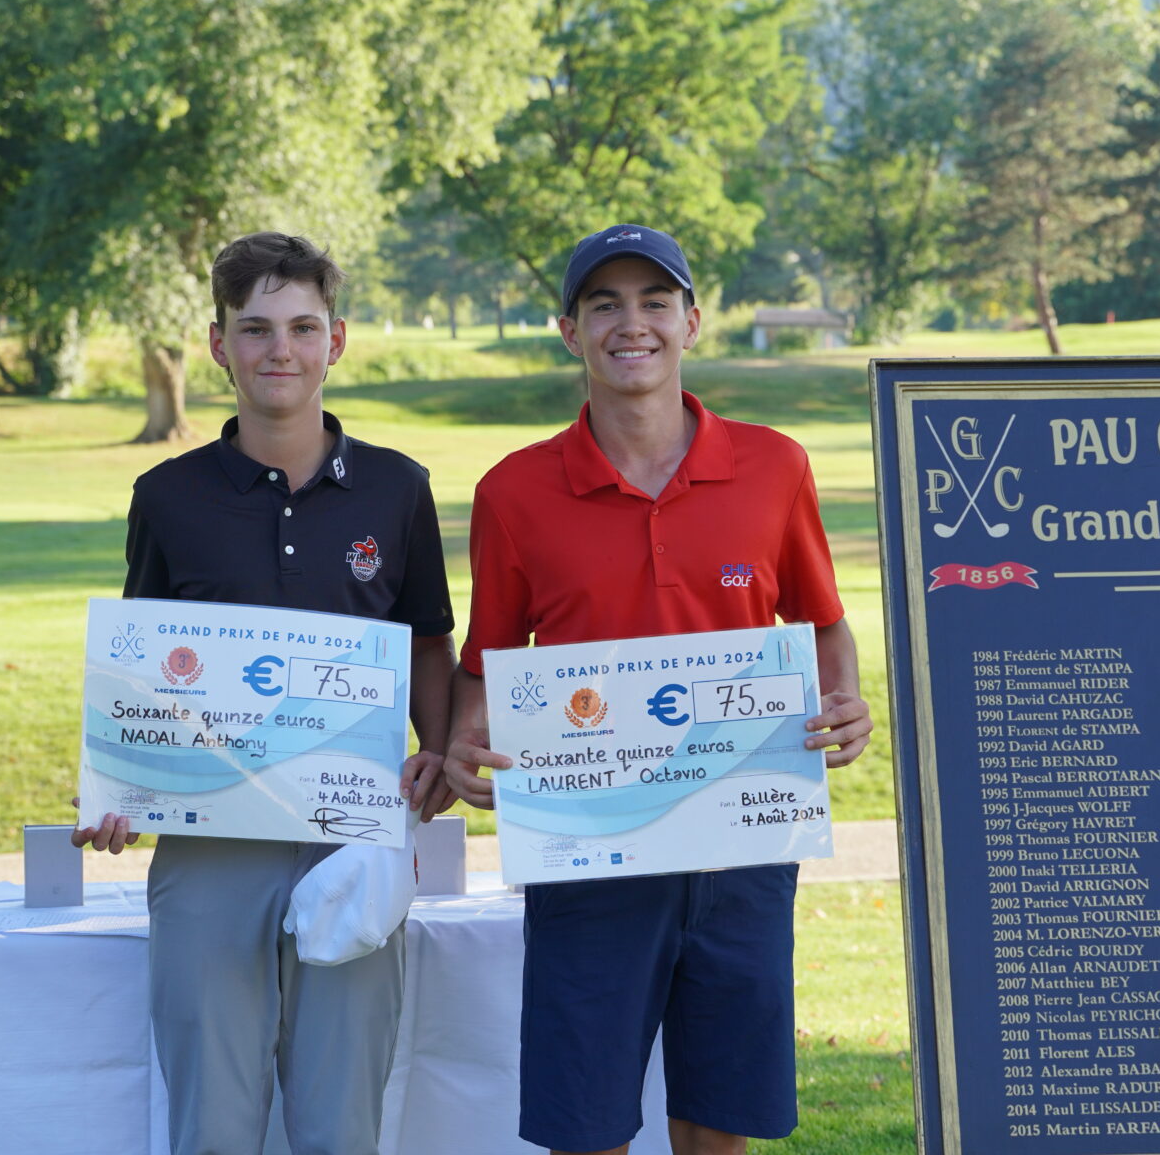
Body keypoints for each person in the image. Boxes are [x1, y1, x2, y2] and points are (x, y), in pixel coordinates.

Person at [444, 223, 873, 1155]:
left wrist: (844, 699)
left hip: (741, 841)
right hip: (589, 853)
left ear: (691, 321)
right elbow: (486, 662)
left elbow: (822, 623)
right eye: (603, 304)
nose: (629, 324)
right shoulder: (513, 492)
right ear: (569, 331)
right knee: (585, 1120)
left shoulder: (775, 465)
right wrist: (466, 747)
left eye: (653, 302)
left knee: (718, 1116)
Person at [75, 231, 456, 1155]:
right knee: (213, 1118)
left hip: (352, 835)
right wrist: (123, 788)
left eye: (301, 327)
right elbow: (143, 664)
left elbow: (427, 641)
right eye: (255, 328)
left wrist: (439, 753)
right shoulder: (167, 495)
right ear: (218, 344)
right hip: (212, 842)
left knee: (339, 1120)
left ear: (336, 342)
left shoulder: (398, 491)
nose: (278, 350)